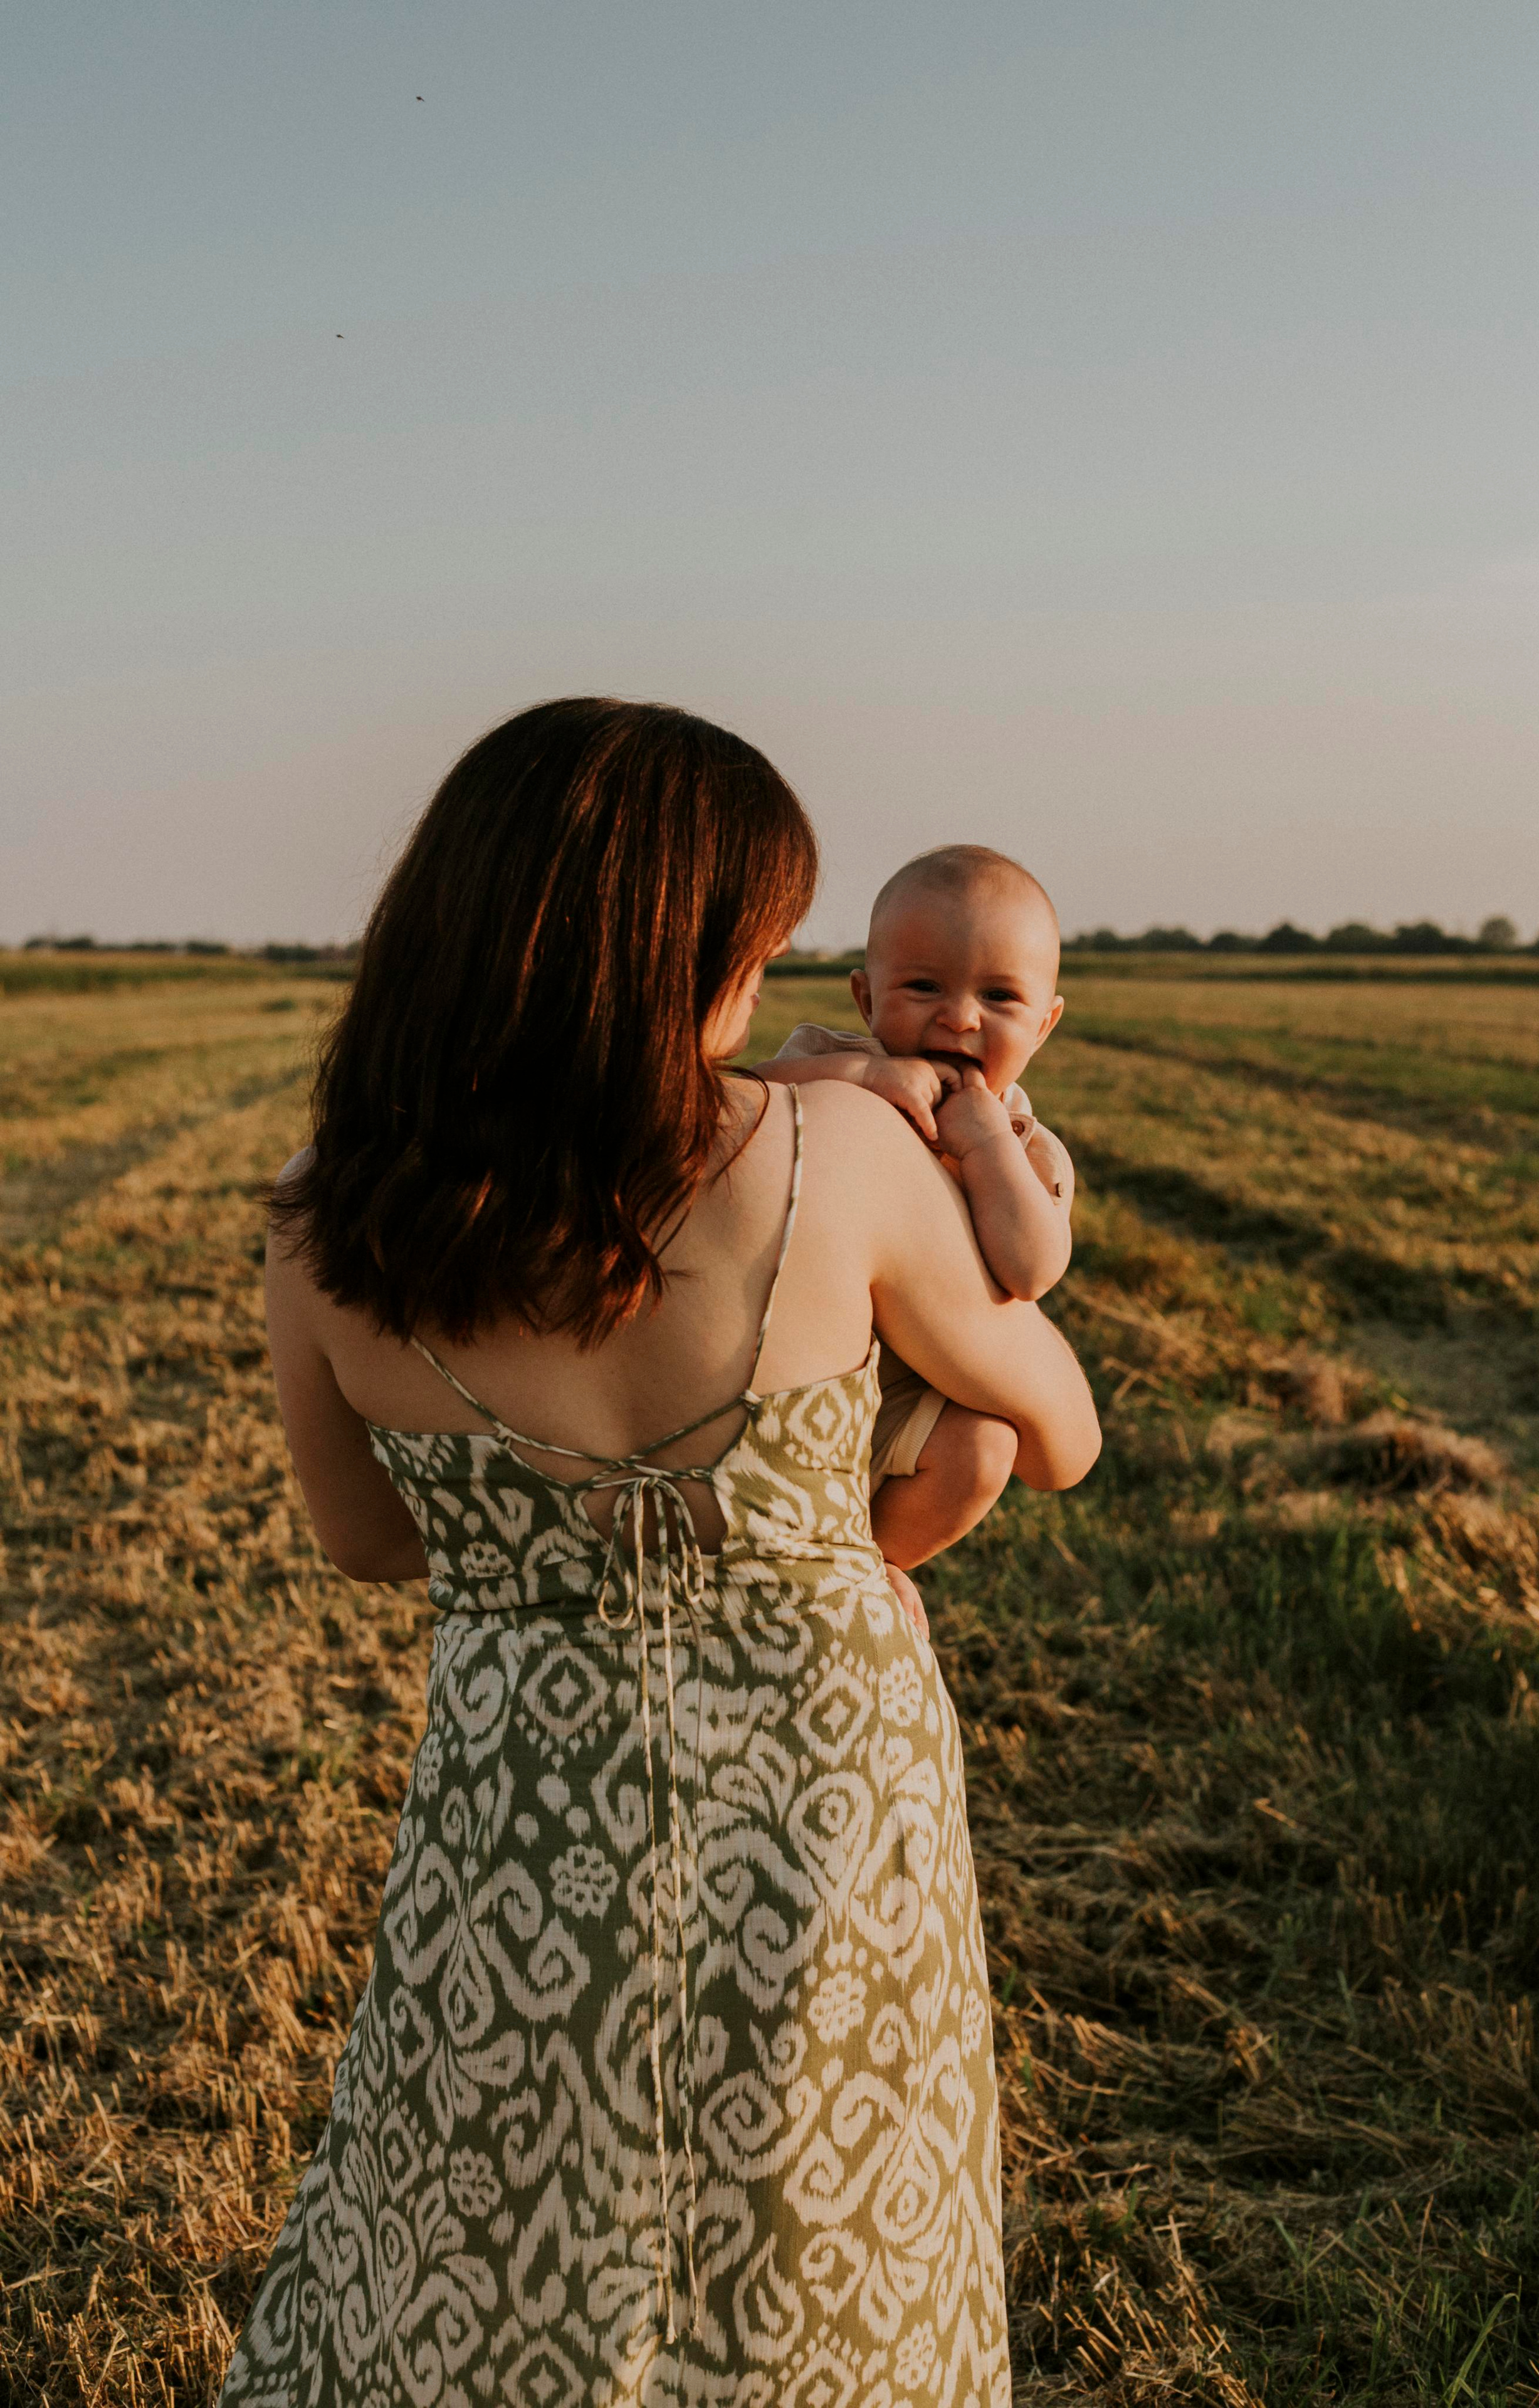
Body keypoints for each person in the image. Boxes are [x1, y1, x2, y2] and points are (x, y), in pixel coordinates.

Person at [219, 699, 1101, 2408]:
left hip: (516, 1815)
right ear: (678, 953)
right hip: (828, 1814)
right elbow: (1058, 1429)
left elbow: (366, 1542)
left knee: (480, 2245)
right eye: (757, 948)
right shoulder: (830, 1153)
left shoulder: (330, 1215)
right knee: (825, 2260)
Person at [755, 846, 1073, 1598]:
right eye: (923, 986)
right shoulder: (827, 1063)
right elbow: (739, 1097)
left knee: (983, 1448)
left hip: (912, 1398)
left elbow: (1030, 1271)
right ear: (866, 1001)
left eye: (1000, 997)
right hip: (798, 1375)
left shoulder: (1029, 1150)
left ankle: (867, 1571)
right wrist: (863, 1078)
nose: (959, 1016)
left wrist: (986, 1142)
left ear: (1045, 1023)